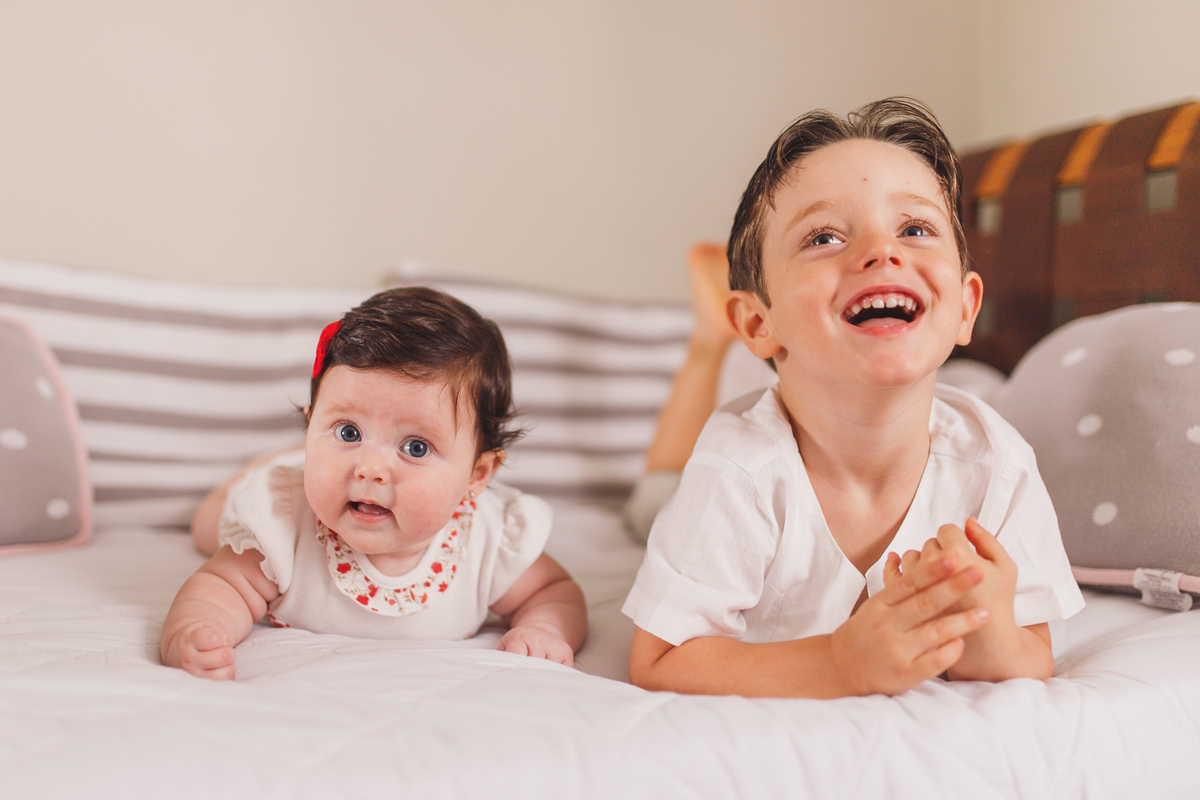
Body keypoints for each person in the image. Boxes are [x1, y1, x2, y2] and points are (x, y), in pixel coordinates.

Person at [623, 98, 1084, 698]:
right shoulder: (736, 466)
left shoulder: (996, 463)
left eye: (915, 229)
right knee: (653, 496)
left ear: (966, 308)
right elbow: (659, 659)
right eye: (823, 237)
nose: (881, 251)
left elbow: (1032, 652)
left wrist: (985, 629)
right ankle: (709, 340)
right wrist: (837, 664)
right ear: (760, 324)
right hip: (703, 474)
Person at [162, 287, 587, 680]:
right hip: (292, 487)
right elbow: (221, 587)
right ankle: (285, 459)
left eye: (416, 447)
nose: (371, 469)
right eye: (348, 431)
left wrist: (544, 628)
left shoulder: (490, 539)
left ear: (477, 476)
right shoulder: (282, 523)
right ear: (313, 425)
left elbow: (552, 591)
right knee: (209, 525)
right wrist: (197, 628)